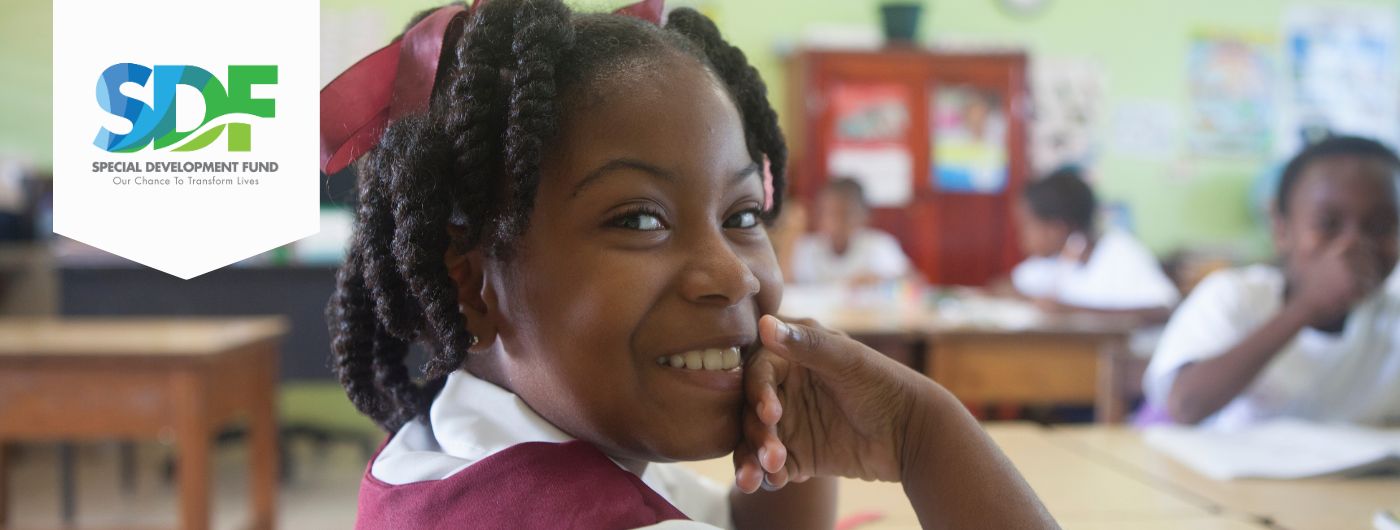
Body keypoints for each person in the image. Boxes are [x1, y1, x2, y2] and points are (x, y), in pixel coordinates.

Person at [323, 1, 1055, 528]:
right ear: (473, 288)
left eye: (742, 217)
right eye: (640, 219)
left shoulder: (434, 450)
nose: (733, 274)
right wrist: (920, 434)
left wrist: (789, 454)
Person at [1143, 136, 1400, 428]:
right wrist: (1307, 307)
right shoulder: (1233, 296)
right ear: (1281, 229)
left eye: (1381, 227)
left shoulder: (1392, 317)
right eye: (1328, 224)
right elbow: (1186, 406)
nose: (1353, 245)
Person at [1007, 167, 1179, 322]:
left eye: (1026, 226)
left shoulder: (1119, 250)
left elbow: (1163, 310)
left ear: (1057, 229)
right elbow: (1012, 285)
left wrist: (1073, 311)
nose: (1021, 237)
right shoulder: (1056, 260)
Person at [787, 178, 913, 285]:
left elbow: (913, 281)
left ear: (864, 216)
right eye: (827, 213)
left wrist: (882, 280)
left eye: (844, 214)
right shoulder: (808, 247)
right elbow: (787, 284)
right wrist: (792, 232)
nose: (833, 222)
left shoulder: (878, 246)